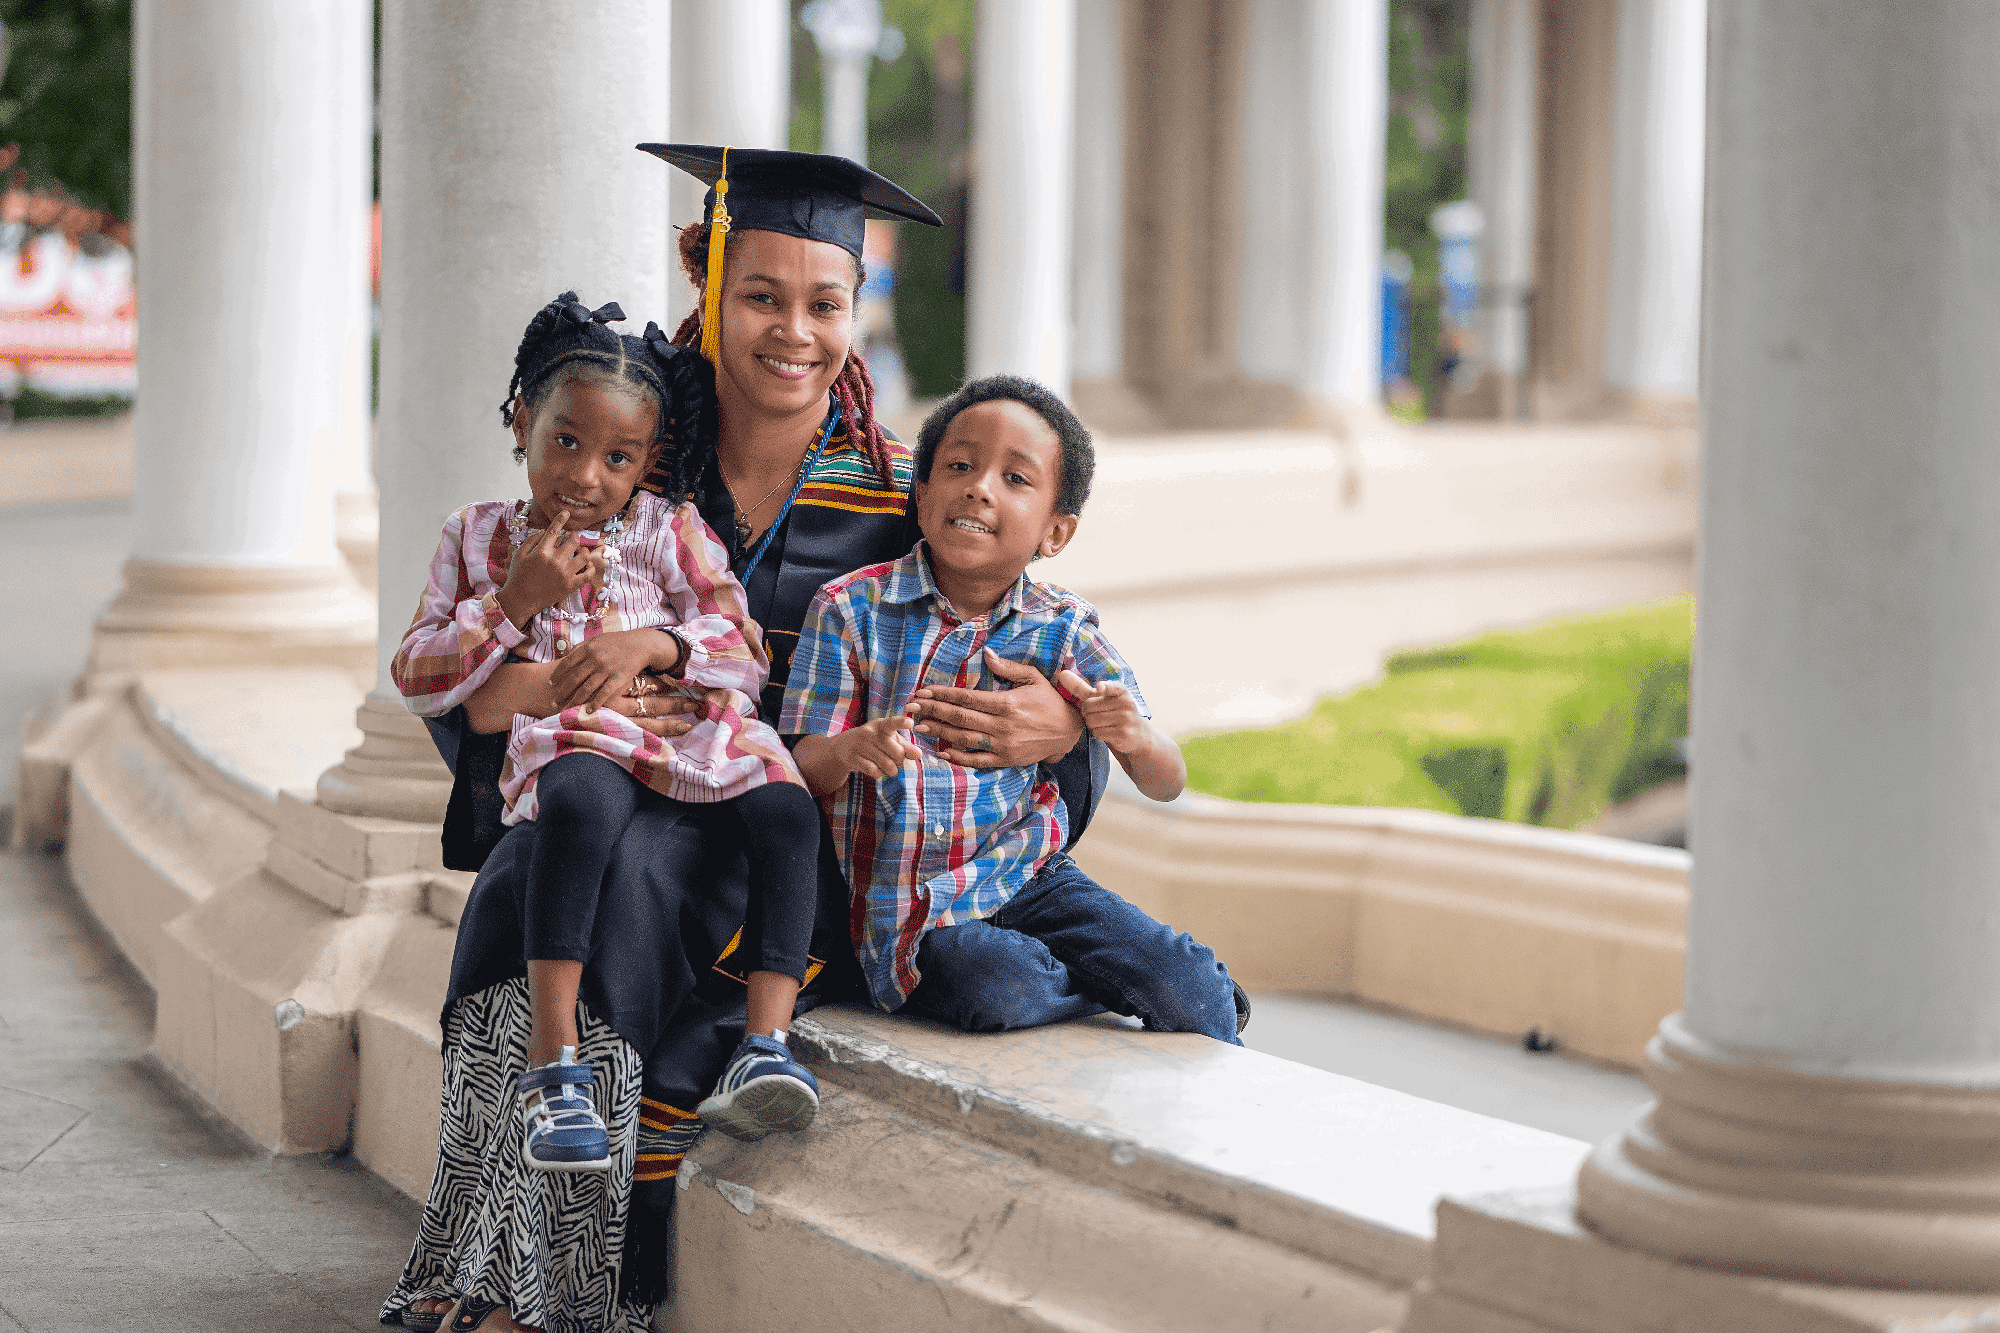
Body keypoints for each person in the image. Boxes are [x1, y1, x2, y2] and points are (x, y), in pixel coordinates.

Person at [383, 147, 1102, 1333]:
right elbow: (475, 679)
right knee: (526, 871)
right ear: (703, 280)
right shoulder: (628, 455)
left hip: (791, 841)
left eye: (824, 303)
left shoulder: (895, 502)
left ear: (855, 312)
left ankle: (566, 1291)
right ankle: (476, 1257)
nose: (792, 331)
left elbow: (1034, 643)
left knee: (627, 881)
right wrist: (556, 688)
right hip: (615, 785)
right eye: (758, 293)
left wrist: (1062, 725)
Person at [391, 292, 827, 1178]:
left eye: (618, 456)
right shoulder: (475, 538)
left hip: (692, 733)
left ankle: (766, 1044)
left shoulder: (669, 530)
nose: (588, 475)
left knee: (786, 810)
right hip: (576, 740)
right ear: (523, 419)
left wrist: (655, 642)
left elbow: (739, 649)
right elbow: (421, 676)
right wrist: (515, 601)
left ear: (647, 463)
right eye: (566, 442)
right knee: (579, 804)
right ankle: (555, 1066)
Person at [784, 375, 1247, 1044]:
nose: (980, 487)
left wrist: (1130, 734)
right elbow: (799, 764)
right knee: (998, 986)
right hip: (915, 906)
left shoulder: (1064, 628)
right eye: (960, 466)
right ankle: (1098, 981)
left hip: (1032, 874)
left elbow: (1166, 780)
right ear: (921, 492)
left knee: (1194, 993)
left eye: (1016, 479)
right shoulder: (850, 610)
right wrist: (850, 749)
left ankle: (1162, 979)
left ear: (1056, 531)